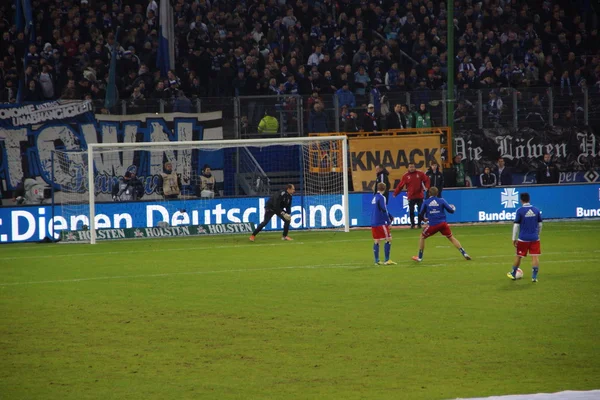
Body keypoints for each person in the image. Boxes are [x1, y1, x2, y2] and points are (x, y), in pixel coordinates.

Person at [411, 187, 471, 262]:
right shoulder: (441, 200)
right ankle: (464, 253)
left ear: (429, 193)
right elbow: (451, 211)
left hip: (433, 224)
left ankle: (419, 257)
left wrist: (424, 219)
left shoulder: (426, 202)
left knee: (422, 237)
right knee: (451, 238)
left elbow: (420, 214)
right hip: (443, 223)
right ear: (437, 193)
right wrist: (454, 208)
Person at [507, 192, 542, 282]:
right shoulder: (536, 210)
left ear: (521, 200)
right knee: (535, 256)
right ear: (529, 199)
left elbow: (516, 225)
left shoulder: (520, 211)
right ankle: (534, 277)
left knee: (518, 256)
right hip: (535, 238)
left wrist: (513, 238)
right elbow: (540, 224)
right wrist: (538, 234)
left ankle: (513, 273)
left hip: (523, 238)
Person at [393, 162, 430, 229]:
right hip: (411, 196)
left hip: (419, 196)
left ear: (415, 167)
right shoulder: (406, 176)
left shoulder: (420, 174)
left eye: (413, 167)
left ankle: (419, 224)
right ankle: (412, 224)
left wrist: (427, 187)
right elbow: (400, 186)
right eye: (410, 167)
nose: (412, 168)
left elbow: (426, 180)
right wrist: (396, 193)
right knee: (411, 211)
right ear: (408, 168)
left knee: (420, 211)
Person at [371, 182, 397, 265]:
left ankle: (377, 260)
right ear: (385, 189)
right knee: (389, 239)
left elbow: (380, 209)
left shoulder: (375, 197)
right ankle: (387, 260)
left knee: (376, 240)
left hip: (373, 221)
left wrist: (390, 215)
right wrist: (388, 222)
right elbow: (383, 210)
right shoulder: (382, 197)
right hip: (380, 222)